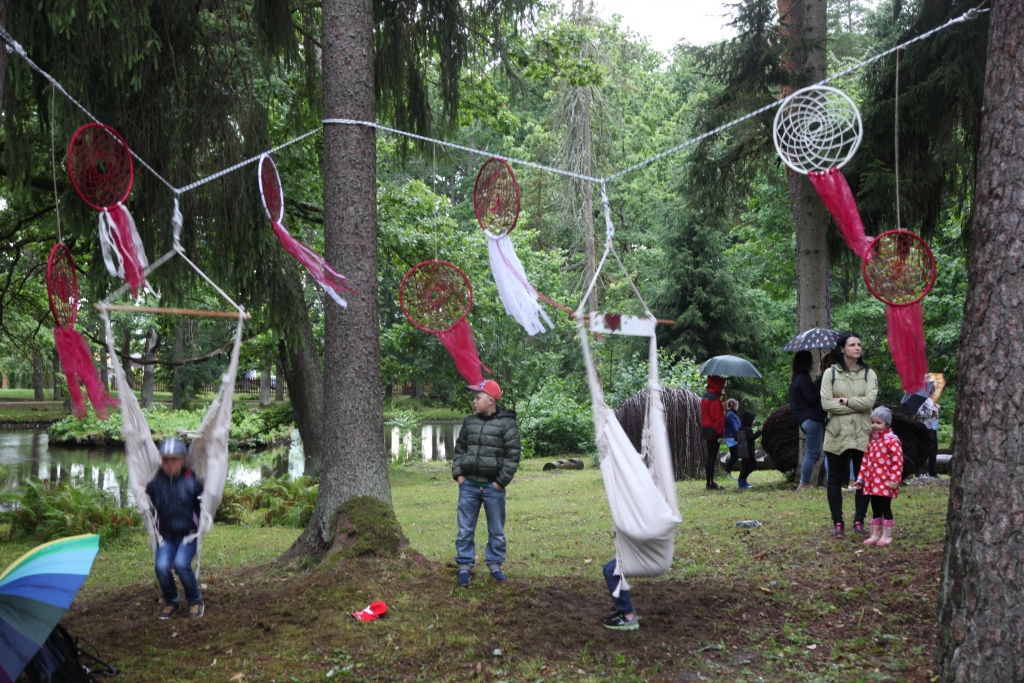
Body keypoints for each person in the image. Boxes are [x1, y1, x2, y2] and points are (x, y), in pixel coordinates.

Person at [451, 379, 521, 586]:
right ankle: (464, 567)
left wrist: (500, 482)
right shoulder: (469, 422)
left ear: (491, 400)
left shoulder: (507, 424)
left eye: (478, 397)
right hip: (469, 486)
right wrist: (459, 476)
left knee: (496, 529)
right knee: (465, 528)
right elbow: (460, 449)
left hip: (493, 488)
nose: (474, 401)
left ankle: (495, 565)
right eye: (474, 397)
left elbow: (513, 455)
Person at [820, 333, 876, 539]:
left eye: (859, 344)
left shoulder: (869, 373)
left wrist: (843, 402)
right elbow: (826, 404)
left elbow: (869, 402)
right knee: (834, 480)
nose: (857, 348)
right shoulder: (830, 374)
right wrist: (854, 406)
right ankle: (838, 523)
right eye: (852, 345)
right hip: (837, 434)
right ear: (842, 349)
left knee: (863, 480)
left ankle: (859, 521)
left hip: (862, 434)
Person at [147, 438, 204, 619]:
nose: (169, 465)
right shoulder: (155, 484)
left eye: (174, 460)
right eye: (165, 460)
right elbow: (147, 502)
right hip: (166, 536)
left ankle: (195, 600)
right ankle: (172, 601)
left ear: (183, 461)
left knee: (181, 564)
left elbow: (205, 502)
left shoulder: (192, 481)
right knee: (161, 567)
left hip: (189, 535)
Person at [855, 407, 904, 547]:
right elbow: (865, 461)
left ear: (887, 424)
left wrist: (895, 480)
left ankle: (886, 535)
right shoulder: (873, 442)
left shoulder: (892, 441)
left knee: (885, 506)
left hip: (886, 483)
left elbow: (898, 462)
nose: (875, 426)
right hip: (873, 483)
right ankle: (875, 534)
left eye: (879, 423)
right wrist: (861, 479)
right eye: (873, 422)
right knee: (875, 506)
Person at [789, 350, 827, 490]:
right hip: (811, 420)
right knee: (812, 453)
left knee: (816, 453)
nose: (813, 363)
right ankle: (804, 483)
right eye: (811, 360)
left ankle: (805, 483)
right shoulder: (802, 379)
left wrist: (818, 380)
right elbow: (811, 398)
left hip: (806, 420)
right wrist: (821, 386)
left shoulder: (798, 379)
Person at [700, 376, 726, 490]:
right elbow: (717, 418)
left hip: (706, 429)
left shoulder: (706, 397)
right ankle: (710, 483)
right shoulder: (714, 398)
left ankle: (709, 482)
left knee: (710, 456)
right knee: (712, 456)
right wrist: (720, 434)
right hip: (713, 431)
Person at [601, 560, 639, 630]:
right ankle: (626, 610)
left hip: (650, 559)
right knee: (608, 567)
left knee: (611, 571)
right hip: (642, 557)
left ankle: (629, 617)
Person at [915, 377, 940, 478]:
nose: (931, 394)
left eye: (932, 392)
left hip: (931, 426)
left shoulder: (929, 400)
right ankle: (921, 472)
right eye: (930, 392)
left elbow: (934, 413)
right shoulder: (919, 399)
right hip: (923, 426)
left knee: (933, 449)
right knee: (924, 449)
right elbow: (917, 413)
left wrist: (936, 411)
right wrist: (930, 413)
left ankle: (932, 472)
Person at [734, 410, 761, 489]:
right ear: (749, 419)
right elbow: (752, 437)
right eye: (753, 419)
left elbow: (736, 438)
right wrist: (760, 431)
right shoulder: (747, 429)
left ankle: (743, 480)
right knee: (748, 466)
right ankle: (741, 481)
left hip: (743, 451)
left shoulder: (741, 428)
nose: (754, 421)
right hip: (747, 452)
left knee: (750, 465)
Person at [722, 399, 742, 477]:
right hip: (731, 437)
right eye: (737, 406)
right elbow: (734, 427)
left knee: (735, 455)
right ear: (733, 406)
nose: (738, 407)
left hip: (733, 436)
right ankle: (727, 471)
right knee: (735, 455)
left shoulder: (732, 414)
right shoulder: (730, 414)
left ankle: (728, 471)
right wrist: (737, 435)